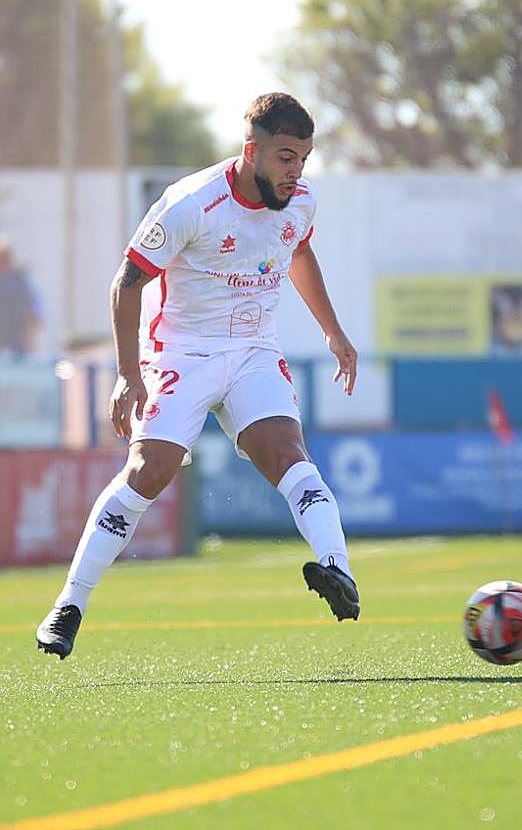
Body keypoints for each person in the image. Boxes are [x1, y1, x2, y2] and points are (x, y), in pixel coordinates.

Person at [36, 93, 361, 659]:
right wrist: (129, 374)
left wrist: (333, 331)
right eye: (285, 158)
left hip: (253, 352)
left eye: (304, 159)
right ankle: (70, 603)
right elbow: (127, 283)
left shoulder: (300, 202)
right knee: (149, 469)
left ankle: (338, 569)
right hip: (181, 355)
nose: (295, 172)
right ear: (251, 152)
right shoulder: (192, 203)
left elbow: (299, 254)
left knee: (288, 453)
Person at [0, 237, 43, 358]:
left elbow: (35, 305)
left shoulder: (21, 281)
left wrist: (34, 321)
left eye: (6, 256)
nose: (3, 261)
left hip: (18, 336)